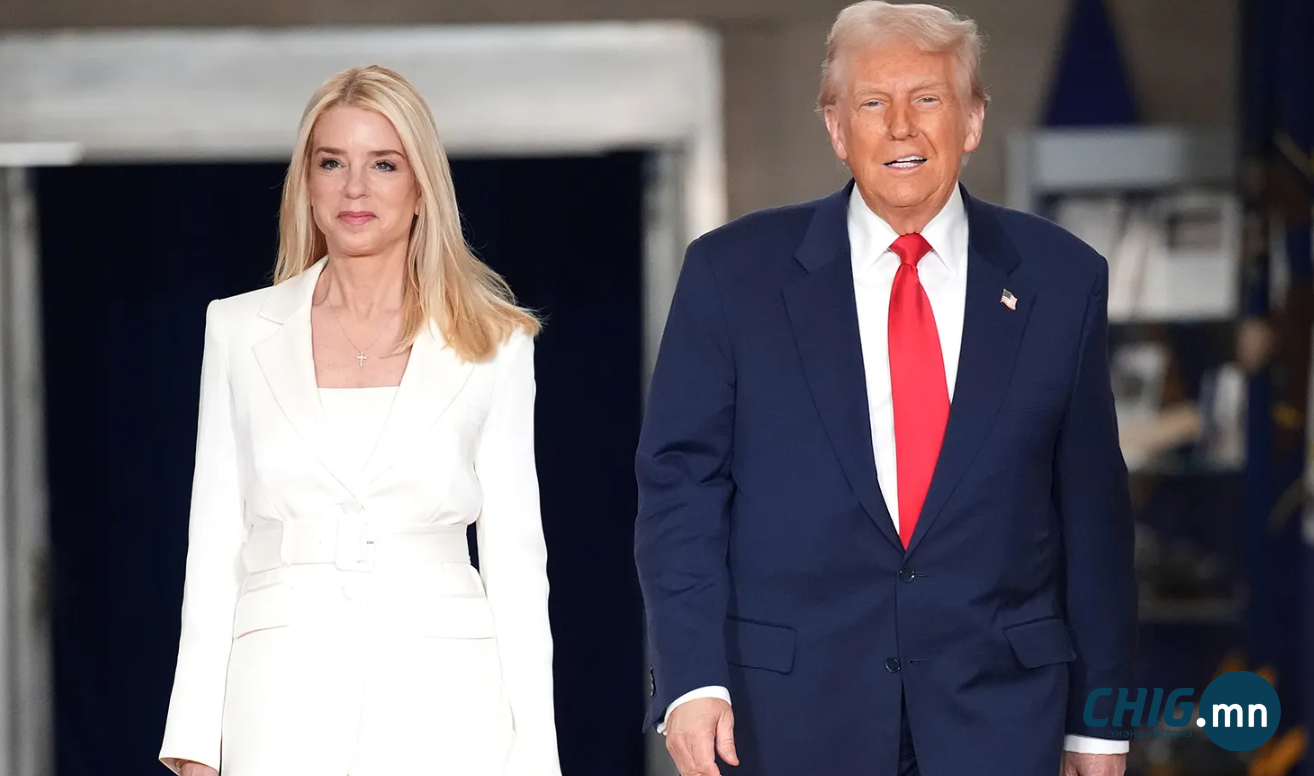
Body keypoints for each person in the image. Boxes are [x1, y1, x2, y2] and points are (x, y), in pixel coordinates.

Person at [634, 3, 1136, 776]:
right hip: (791, 720)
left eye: (927, 98)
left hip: (1001, 717)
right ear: (837, 128)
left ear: (972, 120)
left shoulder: (1063, 280)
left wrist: (1098, 726)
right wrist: (691, 678)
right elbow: (681, 492)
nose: (901, 126)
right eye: (873, 103)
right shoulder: (731, 275)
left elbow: (1094, 517)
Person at [157, 65, 560, 776]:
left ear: (421, 186)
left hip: (447, 697)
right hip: (277, 698)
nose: (355, 188)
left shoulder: (495, 343)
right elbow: (215, 544)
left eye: (383, 164)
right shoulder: (239, 330)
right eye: (331, 163)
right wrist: (194, 740)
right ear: (306, 183)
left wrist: (536, 760)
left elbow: (517, 565)